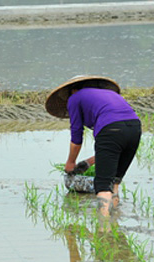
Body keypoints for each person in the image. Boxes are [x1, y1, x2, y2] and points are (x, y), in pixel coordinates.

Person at [45, 75, 141, 216]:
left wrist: (71, 162)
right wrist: (89, 162)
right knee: (114, 182)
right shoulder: (109, 95)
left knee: (103, 185)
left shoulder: (75, 98)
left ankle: (103, 226)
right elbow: (114, 149)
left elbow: (77, 135)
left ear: (72, 90)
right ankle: (114, 223)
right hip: (135, 128)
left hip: (111, 129)